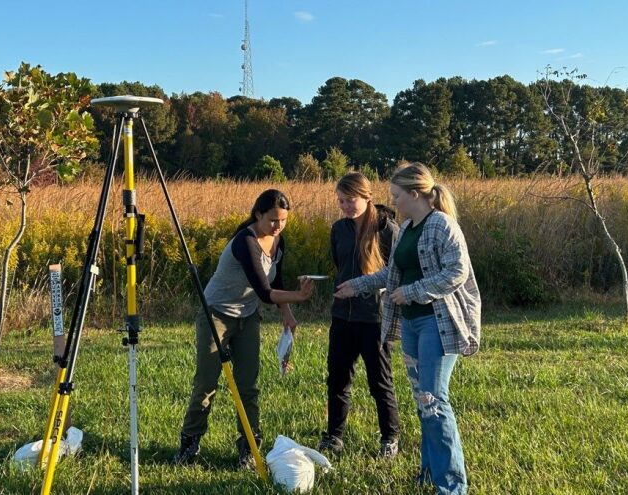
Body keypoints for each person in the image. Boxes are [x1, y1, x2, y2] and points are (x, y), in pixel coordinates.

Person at [335, 163, 481, 494]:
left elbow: (456, 272)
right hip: (413, 326)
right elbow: (392, 275)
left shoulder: (442, 226)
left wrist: (413, 292)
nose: (393, 201)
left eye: (397, 196)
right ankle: (429, 474)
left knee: (434, 400)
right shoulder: (408, 228)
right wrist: (356, 285)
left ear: (415, 194)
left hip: (437, 323)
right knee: (423, 401)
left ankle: (451, 485)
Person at [172, 189, 315, 468]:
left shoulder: (278, 241)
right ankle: (189, 444)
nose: (278, 226)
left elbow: (278, 281)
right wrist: (299, 296)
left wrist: (287, 313)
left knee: (248, 385)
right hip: (216, 314)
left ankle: (249, 448)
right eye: (273, 220)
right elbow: (264, 291)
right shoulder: (245, 242)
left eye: (284, 220)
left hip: (247, 316)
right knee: (206, 383)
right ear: (258, 215)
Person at [318, 172, 401, 458]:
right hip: (342, 316)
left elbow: (396, 273)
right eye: (341, 201)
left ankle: (390, 437)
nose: (345, 206)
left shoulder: (387, 229)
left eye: (350, 200)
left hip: (374, 318)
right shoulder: (338, 229)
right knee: (338, 378)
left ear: (367, 197)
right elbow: (338, 263)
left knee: (379, 381)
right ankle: (333, 436)